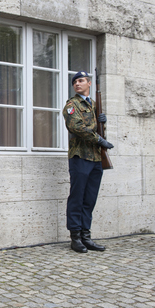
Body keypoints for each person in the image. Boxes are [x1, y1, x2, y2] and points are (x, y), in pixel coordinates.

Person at [62, 71, 114, 253]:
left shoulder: (94, 105)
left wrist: (103, 123)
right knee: (77, 198)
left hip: (96, 158)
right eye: (75, 81)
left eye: (81, 80)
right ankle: (75, 237)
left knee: (89, 199)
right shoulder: (72, 104)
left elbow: (96, 128)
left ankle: (86, 236)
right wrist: (100, 140)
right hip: (80, 157)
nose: (77, 83)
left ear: (89, 83)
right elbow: (76, 127)